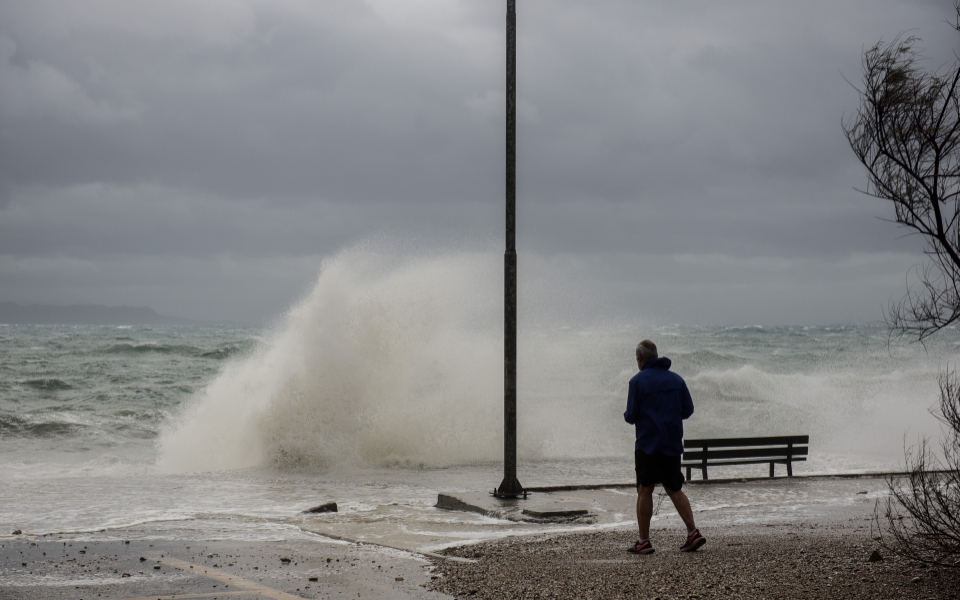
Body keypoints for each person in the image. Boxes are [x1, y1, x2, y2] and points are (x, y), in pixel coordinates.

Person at [623, 339, 705, 554]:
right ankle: (692, 532)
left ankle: (644, 541)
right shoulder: (676, 380)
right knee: (674, 488)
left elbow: (631, 416)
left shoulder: (637, 382)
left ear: (640, 358)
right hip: (671, 442)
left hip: (647, 444)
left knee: (645, 489)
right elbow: (688, 410)